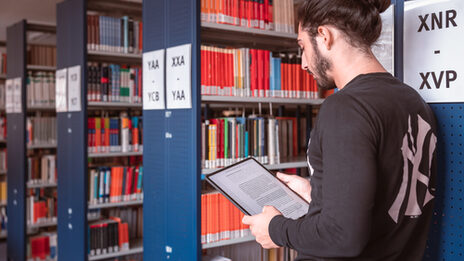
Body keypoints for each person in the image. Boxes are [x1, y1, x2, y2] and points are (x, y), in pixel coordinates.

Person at [242, 0, 438, 260]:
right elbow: (389, 195)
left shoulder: (346, 107)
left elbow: (341, 237)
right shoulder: (413, 101)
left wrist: (275, 229)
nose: (302, 63)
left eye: (302, 46)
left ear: (324, 36)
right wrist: (318, 193)